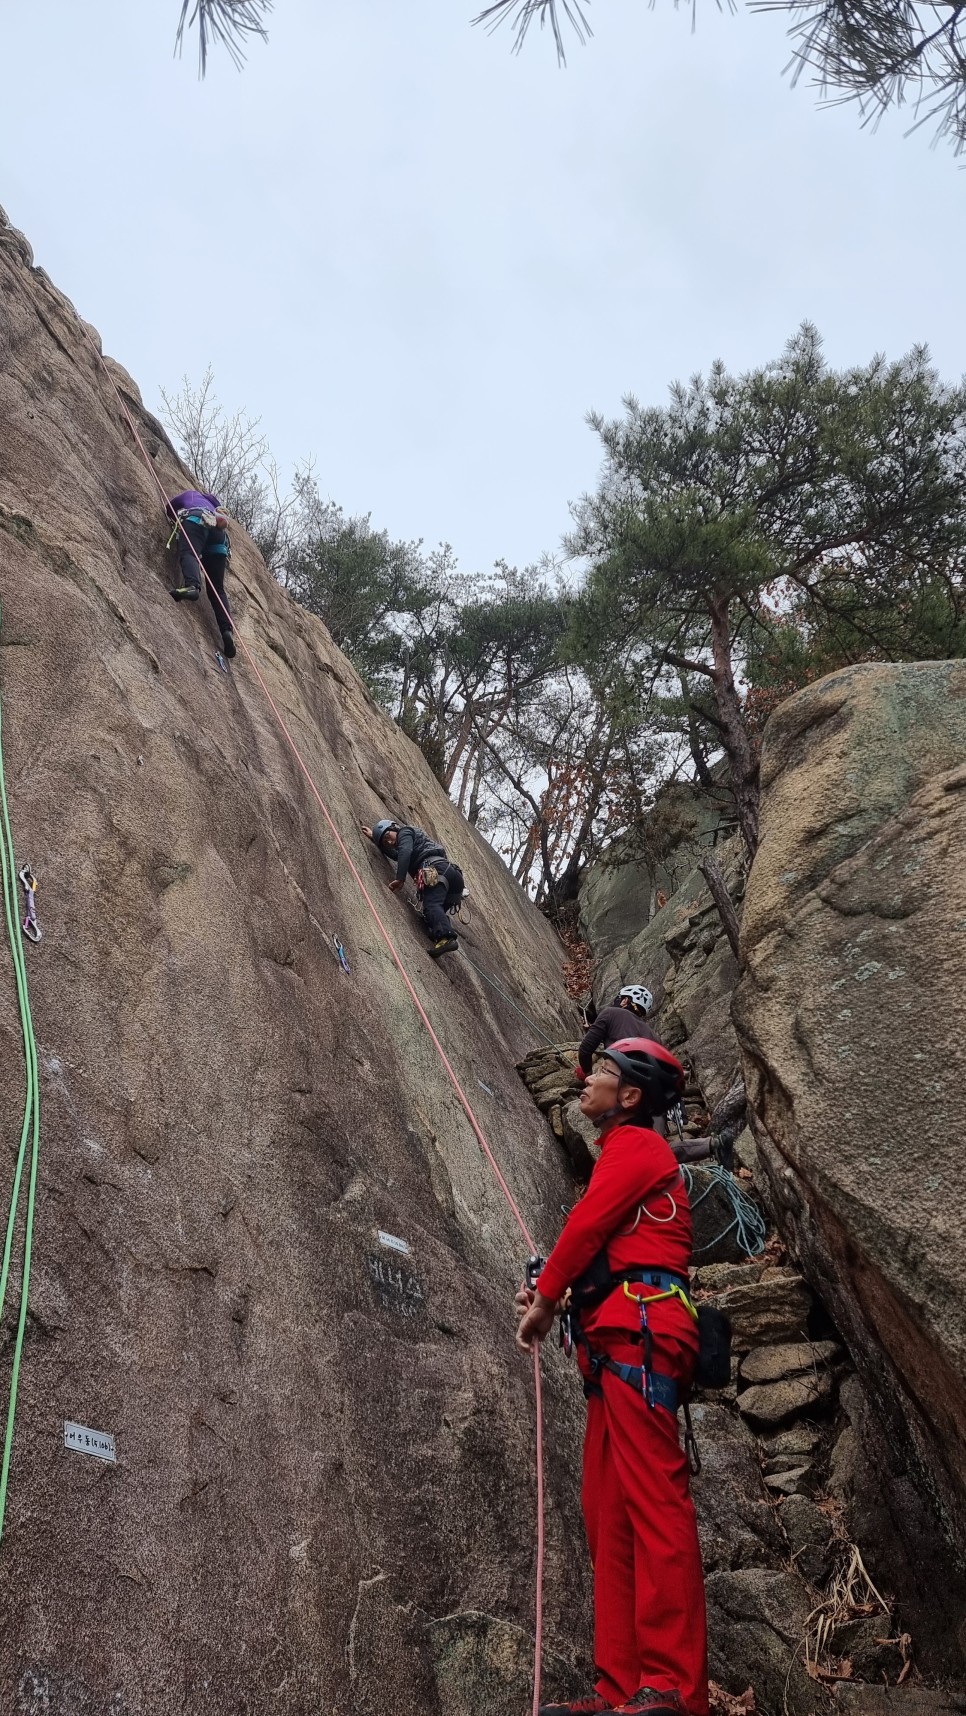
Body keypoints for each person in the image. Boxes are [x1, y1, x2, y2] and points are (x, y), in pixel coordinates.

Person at [515, 1037, 709, 1716]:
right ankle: (622, 1687)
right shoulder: (620, 1158)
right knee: (609, 1515)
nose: (583, 1082)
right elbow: (606, 1243)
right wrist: (559, 1291)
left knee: (653, 1507)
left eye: (597, 1072)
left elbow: (590, 1225)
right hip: (614, 1345)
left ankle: (674, 1688)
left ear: (629, 1096)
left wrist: (545, 1301)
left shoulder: (638, 1148)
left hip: (642, 1333)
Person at [361, 818, 465, 958]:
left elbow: (405, 851)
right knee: (430, 917)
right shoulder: (408, 843)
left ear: (394, 827)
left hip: (437, 870)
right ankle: (438, 932)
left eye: (388, 836)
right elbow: (397, 855)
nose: (390, 842)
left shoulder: (405, 832)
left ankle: (446, 938)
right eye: (386, 843)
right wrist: (375, 838)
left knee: (431, 905)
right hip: (452, 878)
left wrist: (400, 878)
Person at [166, 489, 236, 660]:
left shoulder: (189, 494)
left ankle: (192, 586)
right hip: (219, 536)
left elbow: (169, 508)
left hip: (196, 519)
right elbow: (219, 509)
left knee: (190, 553)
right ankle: (226, 630)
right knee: (217, 589)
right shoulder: (212, 501)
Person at [576, 987, 659, 1082]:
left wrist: (586, 1072)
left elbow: (585, 1050)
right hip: (647, 1083)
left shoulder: (610, 1013)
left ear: (625, 1001)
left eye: (619, 998)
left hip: (617, 1075)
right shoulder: (653, 1034)